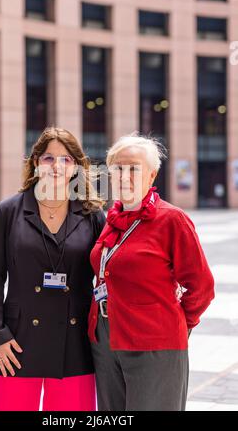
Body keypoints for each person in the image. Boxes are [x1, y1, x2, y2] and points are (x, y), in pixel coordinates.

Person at [0, 127, 106, 411]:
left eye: (66, 159)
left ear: (76, 166)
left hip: (75, 343)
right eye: (49, 158)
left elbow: (111, 269)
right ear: (36, 163)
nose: (57, 166)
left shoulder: (92, 213)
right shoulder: (9, 211)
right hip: (16, 341)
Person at [88, 133, 215, 411]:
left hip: (154, 341)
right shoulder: (112, 220)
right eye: (117, 169)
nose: (123, 176)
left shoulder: (172, 220)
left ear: (152, 175)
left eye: (133, 168)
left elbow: (202, 286)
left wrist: (181, 322)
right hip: (107, 340)